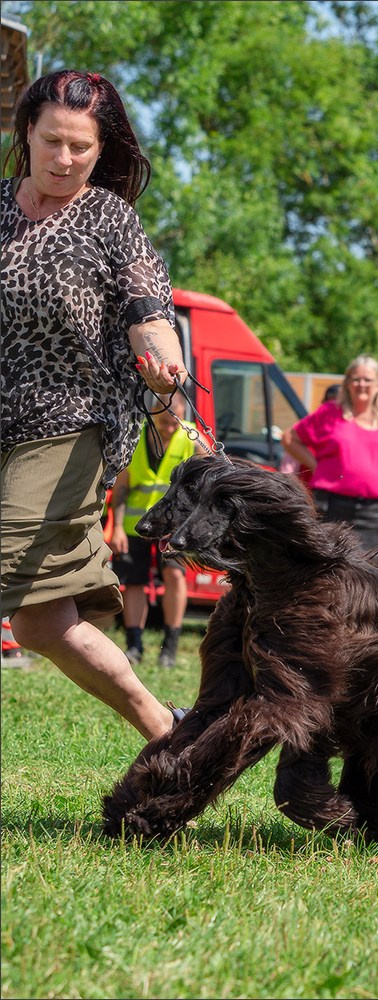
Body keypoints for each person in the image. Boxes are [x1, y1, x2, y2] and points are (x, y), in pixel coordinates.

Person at [1, 70, 188, 740]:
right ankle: (169, 729)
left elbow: (149, 311)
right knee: (38, 621)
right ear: (26, 131)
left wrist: (164, 362)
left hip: (71, 423)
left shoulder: (111, 221)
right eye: (53, 140)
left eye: (82, 147)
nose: (65, 157)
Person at [281, 354, 378, 554]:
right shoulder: (330, 413)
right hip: (334, 508)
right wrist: (317, 466)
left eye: (367, 380)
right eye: (355, 379)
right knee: (330, 571)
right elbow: (290, 439)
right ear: (347, 383)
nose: (361, 384)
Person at [108, 394, 206, 668]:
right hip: (134, 526)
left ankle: (169, 649)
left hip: (174, 526)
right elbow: (122, 487)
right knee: (134, 582)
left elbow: (211, 469)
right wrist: (115, 527)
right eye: (165, 422)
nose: (170, 428)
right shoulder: (135, 436)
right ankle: (134, 646)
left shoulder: (191, 437)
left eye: (175, 423)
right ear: (152, 414)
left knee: (175, 575)